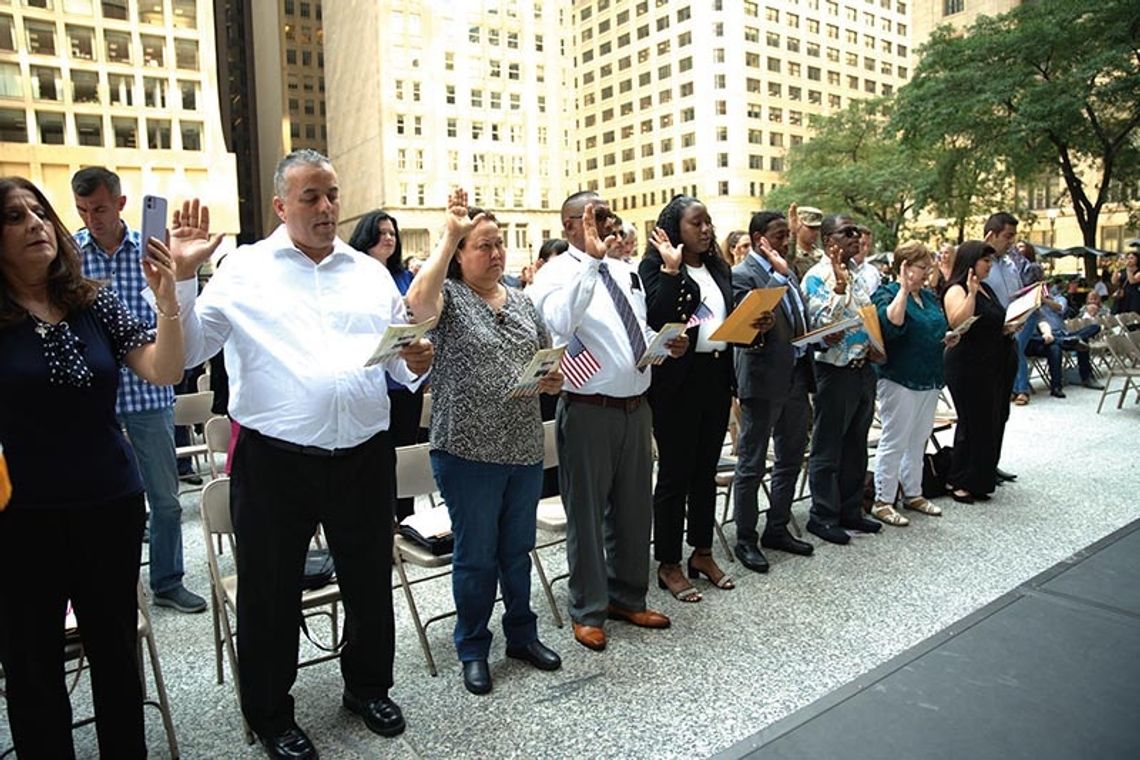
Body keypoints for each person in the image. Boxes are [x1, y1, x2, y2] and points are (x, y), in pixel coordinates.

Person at [171, 150, 433, 758]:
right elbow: (187, 354)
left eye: (333, 195)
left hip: (363, 453)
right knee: (270, 591)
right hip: (275, 460)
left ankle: (367, 686)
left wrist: (412, 360)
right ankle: (269, 712)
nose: (325, 207)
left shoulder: (367, 273)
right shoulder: (243, 268)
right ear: (279, 205)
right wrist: (183, 279)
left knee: (370, 578)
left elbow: (395, 354)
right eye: (310, 197)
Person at [0, 176, 184, 757]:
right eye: (14, 217)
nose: (35, 223)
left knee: (114, 656)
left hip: (109, 503)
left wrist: (169, 299)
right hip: (19, 518)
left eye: (39, 212)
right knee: (32, 668)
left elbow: (163, 370)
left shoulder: (92, 296)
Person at [404, 189, 564, 695]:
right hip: (466, 450)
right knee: (476, 555)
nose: (495, 254)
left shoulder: (521, 300)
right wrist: (448, 235)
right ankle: (472, 646)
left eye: (499, 245)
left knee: (517, 550)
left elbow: (546, 357)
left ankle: (521, 634)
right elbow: (416, 303)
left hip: (520, 446)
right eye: (482, 246)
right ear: (460, 254)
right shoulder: (448, 298)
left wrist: (551, 379)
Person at [528, 191, 687, 652]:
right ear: (570, 224)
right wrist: (592, 264)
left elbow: (628, 329)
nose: (607, 223)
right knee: (587, 514)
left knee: (636, 508)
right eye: (596, 216)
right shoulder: (555, 274)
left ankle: (627, 596)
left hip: (635, 407)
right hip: (588, 409)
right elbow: (560, 320)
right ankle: (589, 608)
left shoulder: (626, 270)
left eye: (608, 214)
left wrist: (661, 344)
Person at [70, 167, 208, 614]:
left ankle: (168, 580)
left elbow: (177, 306)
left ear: (121, 203)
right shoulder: (71, 255)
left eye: (101, 209)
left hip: (150, 393)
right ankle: (110, 587)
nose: (93, 218)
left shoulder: (152, 249)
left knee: (165, 500)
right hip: (98, 400)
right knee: (105, 502)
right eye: (84, 211)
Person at [639, 195, 735, 602]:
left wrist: (753, 326)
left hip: (715, 375)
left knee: (705, 472)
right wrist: (673, 270)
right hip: (677, 383)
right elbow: (661, 316)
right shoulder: (653, 267)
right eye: (696, 223)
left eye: (708, 222)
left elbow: (724, 319)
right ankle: (668, 562)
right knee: (676, 475)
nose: (706, 229)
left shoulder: (718, 266)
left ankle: (703, 552)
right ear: (674, 229)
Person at [730, 210, 816, 573]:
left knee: (791, 456)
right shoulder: (742, 275)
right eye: (779, 235)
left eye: (787, 235)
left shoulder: (785, 270)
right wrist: (759, 322)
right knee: (751, 463)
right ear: (759, 238)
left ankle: (777, 528)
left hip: (796, 373)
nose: (786, 241)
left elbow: (796, 315)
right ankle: (746, 539)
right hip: (763, 378)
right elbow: (739, 328)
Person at [801, 213, 885, 545]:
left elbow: (867, 317)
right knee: (828, 447)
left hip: (863, 368)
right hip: (833, 371)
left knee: (856, 445)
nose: (856, 237)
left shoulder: (859, 276)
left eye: (857, 232)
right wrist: (837, 287)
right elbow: (822, 325)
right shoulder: (816, 276)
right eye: (846, 232)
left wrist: (877, 346)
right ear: (828, 241)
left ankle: (851, 510)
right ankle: (822, 515)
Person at [869, 242, 954, 525]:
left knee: (918, 438)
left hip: (929, 376)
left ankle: (913, 492)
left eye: (928, 267)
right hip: (900, 378)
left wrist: (949, 336)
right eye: (922, 267)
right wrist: (904, 288)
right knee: (895, 439)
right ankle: (883, 499)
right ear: (904, 267)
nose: (928, 272)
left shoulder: (928, 297)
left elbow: (937, 325)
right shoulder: (887, 293)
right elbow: (891, 324)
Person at [348, 209, 423, 521]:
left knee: (405, 451)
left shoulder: (406, 278)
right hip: (370, 382)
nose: (388, 238)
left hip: (406, 380)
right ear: (366, 236)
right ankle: (379, 520)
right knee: (376, 458)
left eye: (393, 233)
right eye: (381, 232)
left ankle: (406, 518)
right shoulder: (350, 275)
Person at [941, 241, 1016, 503]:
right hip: (968, 365)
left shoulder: (987, 288)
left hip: (993, 362)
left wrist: (1009, 327)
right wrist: (971, 295)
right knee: (972, 422)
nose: (989, 266)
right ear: (972, 261)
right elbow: (957, 322)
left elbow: (994, 320)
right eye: (986, 261)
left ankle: (980, 479)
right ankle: (958, 479)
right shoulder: (956, 288)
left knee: (991, 421)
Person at [1024, 283, 1104, 397]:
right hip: (1042, 339)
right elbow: (1040, 324)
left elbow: (1060, 308)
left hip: (1063, 334)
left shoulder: (1059, 298)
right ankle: (1056, 387)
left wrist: (1044, 300)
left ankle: (1087, 376)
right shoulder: (1032, 306)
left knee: (1094, 328)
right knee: (1055, 347)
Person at [788, 203, 822, 280]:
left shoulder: (822, 255)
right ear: (798, 225)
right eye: (811, 228)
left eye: (818, 228)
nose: (816, 232)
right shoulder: (792, 254)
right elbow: (788, 260)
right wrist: (792, 233)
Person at [1111, 250, 1140, 316]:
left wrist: (1128, 268)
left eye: (1132, 258)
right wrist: (1116, 268)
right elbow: (1114, 281)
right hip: (1123, 296)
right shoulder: (1123, 271)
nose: (1129, 260)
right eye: (1128, 258)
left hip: (1134, 296)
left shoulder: (1138, 271)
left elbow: (1132, 281)